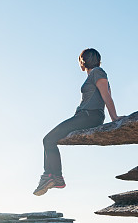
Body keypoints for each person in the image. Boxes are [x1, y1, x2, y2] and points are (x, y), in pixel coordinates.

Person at [33, 48, 120, 196]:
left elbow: (106, 96)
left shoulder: (97, 72)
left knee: (48, 139)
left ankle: (53, 176)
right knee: (49, 140)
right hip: (86, 115)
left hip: (89, 116)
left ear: (82, 62)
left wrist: (115, 119)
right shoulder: (95, 74)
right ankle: (52, 176)